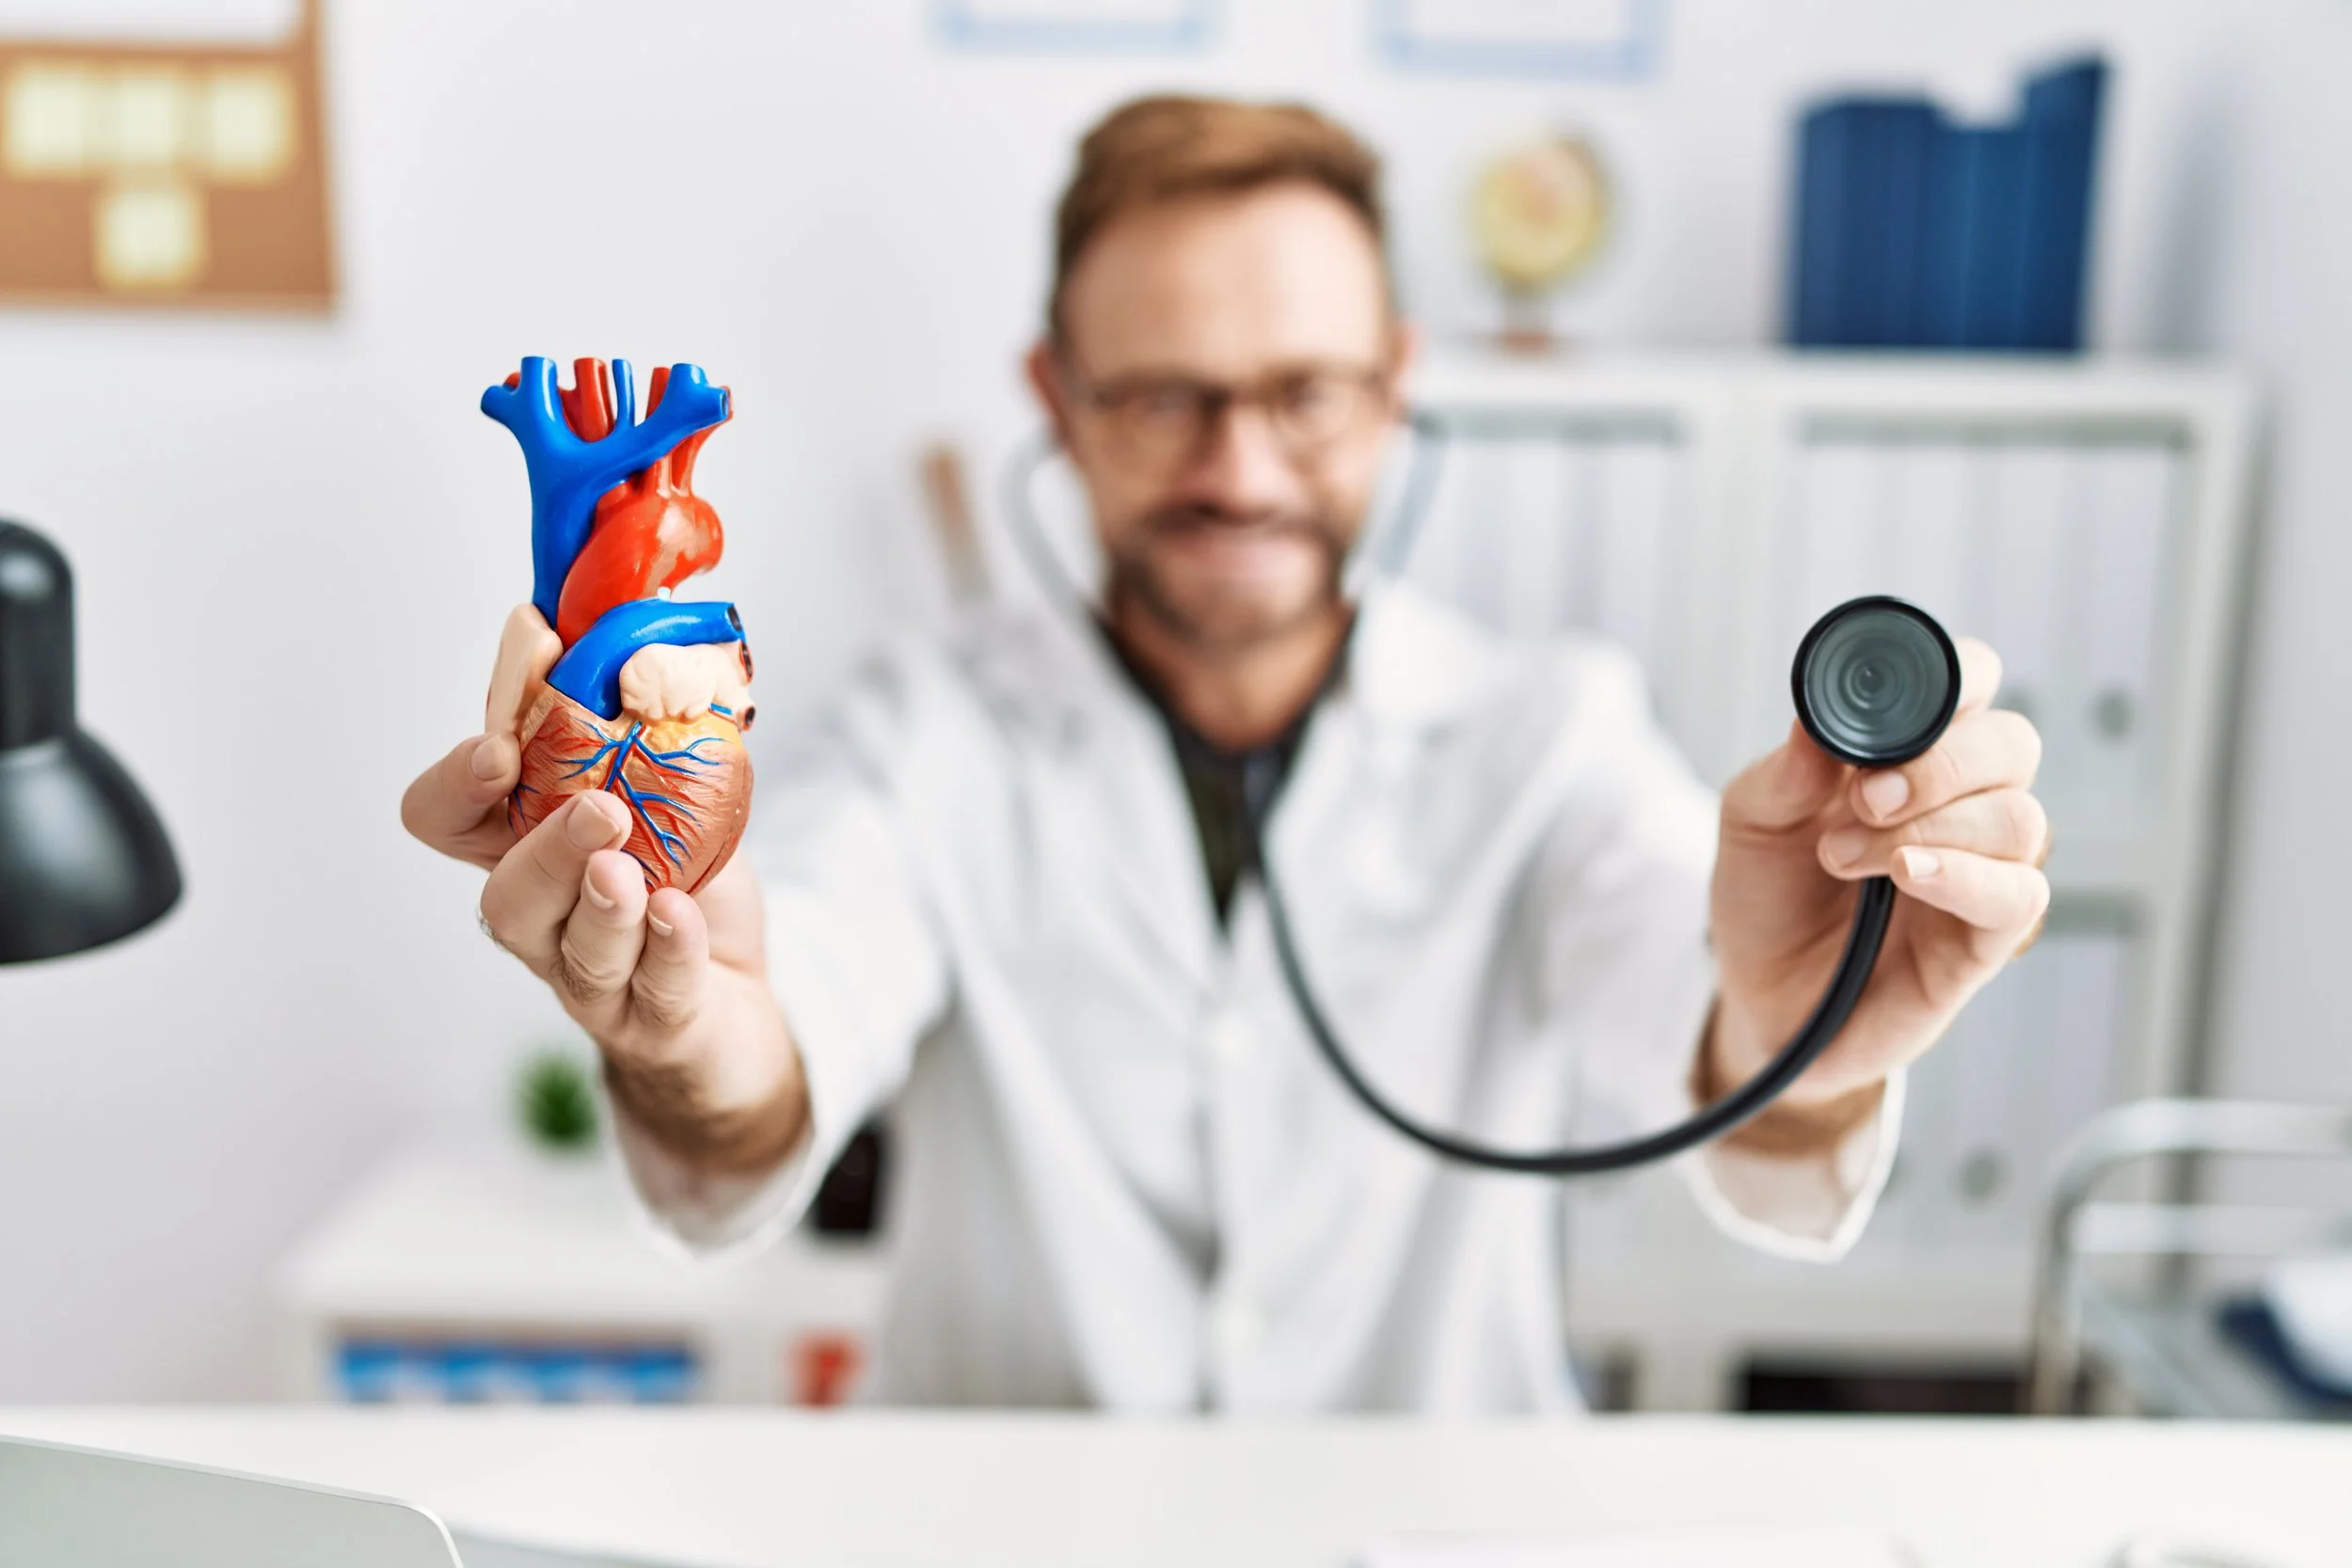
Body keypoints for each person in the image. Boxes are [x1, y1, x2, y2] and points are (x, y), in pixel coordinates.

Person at [402, 95, 2052, 1412]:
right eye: (1164, 399)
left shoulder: (1548, 730)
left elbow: (1725, 1091)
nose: (1242, 466)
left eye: (1306, 393)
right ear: (1055, 396)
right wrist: (682, 1026)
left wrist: (1805, 1033)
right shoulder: (930, 729)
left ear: (1400, 386)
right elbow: (763, 1076)